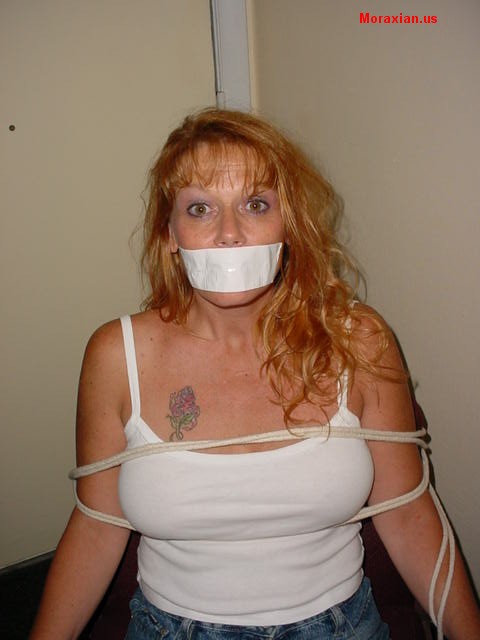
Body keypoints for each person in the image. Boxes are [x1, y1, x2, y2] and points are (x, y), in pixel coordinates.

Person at [30, 108, 480, 640]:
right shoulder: (116, 355)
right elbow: (96, 524)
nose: (230, 233)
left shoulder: (358, 339)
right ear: (170, 233)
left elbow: (407, 513)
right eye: (200, 208)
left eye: (255, 204)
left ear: (287, 224)